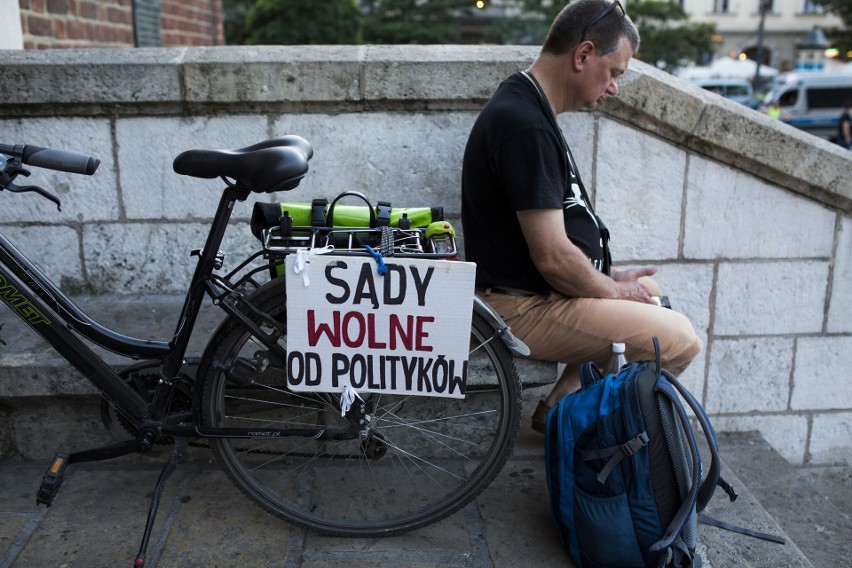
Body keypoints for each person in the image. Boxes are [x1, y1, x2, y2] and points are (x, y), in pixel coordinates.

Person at [461, 0, 703, 433]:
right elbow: (553, 258)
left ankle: (559, 413)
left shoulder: (529, 104)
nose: (613, 88)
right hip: (520, 307)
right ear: (583, 54)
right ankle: (587, 443)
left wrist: (613, 277)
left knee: (649, 288)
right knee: (682, 340)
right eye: (614, 72)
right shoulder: (525, 126)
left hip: (534, 292)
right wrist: (609, 287)